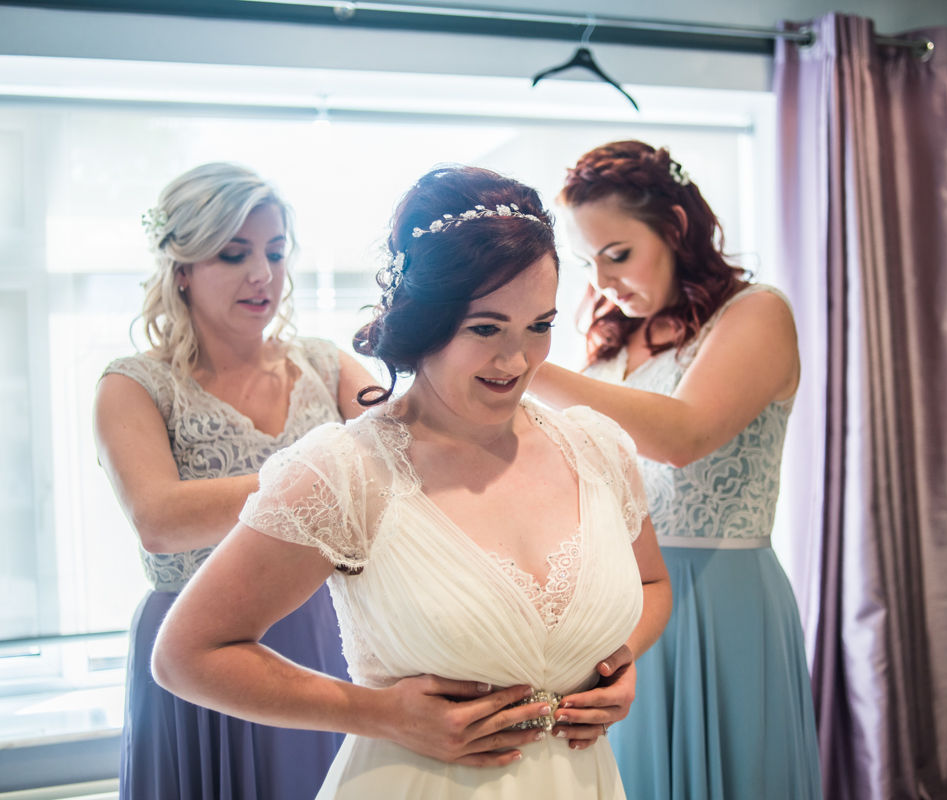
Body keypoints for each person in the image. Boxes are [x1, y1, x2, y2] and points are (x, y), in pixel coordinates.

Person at [150, 164, 672, 799]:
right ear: (424, 320)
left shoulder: (596, 447)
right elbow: (186, 654)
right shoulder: (347, 473)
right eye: (486, 328)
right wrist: (381, 714)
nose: (517, 361)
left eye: (539, 326)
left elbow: (651, 581)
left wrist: (620, 656)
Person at [528, 140, 823, 799]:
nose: (603, 282)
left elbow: (684, 435)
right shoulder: (612, 338)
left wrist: (525, 361)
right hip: (620, 603)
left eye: (618, 254)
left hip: (721, 600)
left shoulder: (756, 313)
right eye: (588, 263)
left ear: (675, 227)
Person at [94, 162, 375, 800]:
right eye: (234, 253)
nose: (263, 275)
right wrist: (320, 477)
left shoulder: (326, 364)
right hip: (195, 642)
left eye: (275, 253)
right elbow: (160, 520)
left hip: (325, 633)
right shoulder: (134, 385)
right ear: (182, 268)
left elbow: (410, 455)